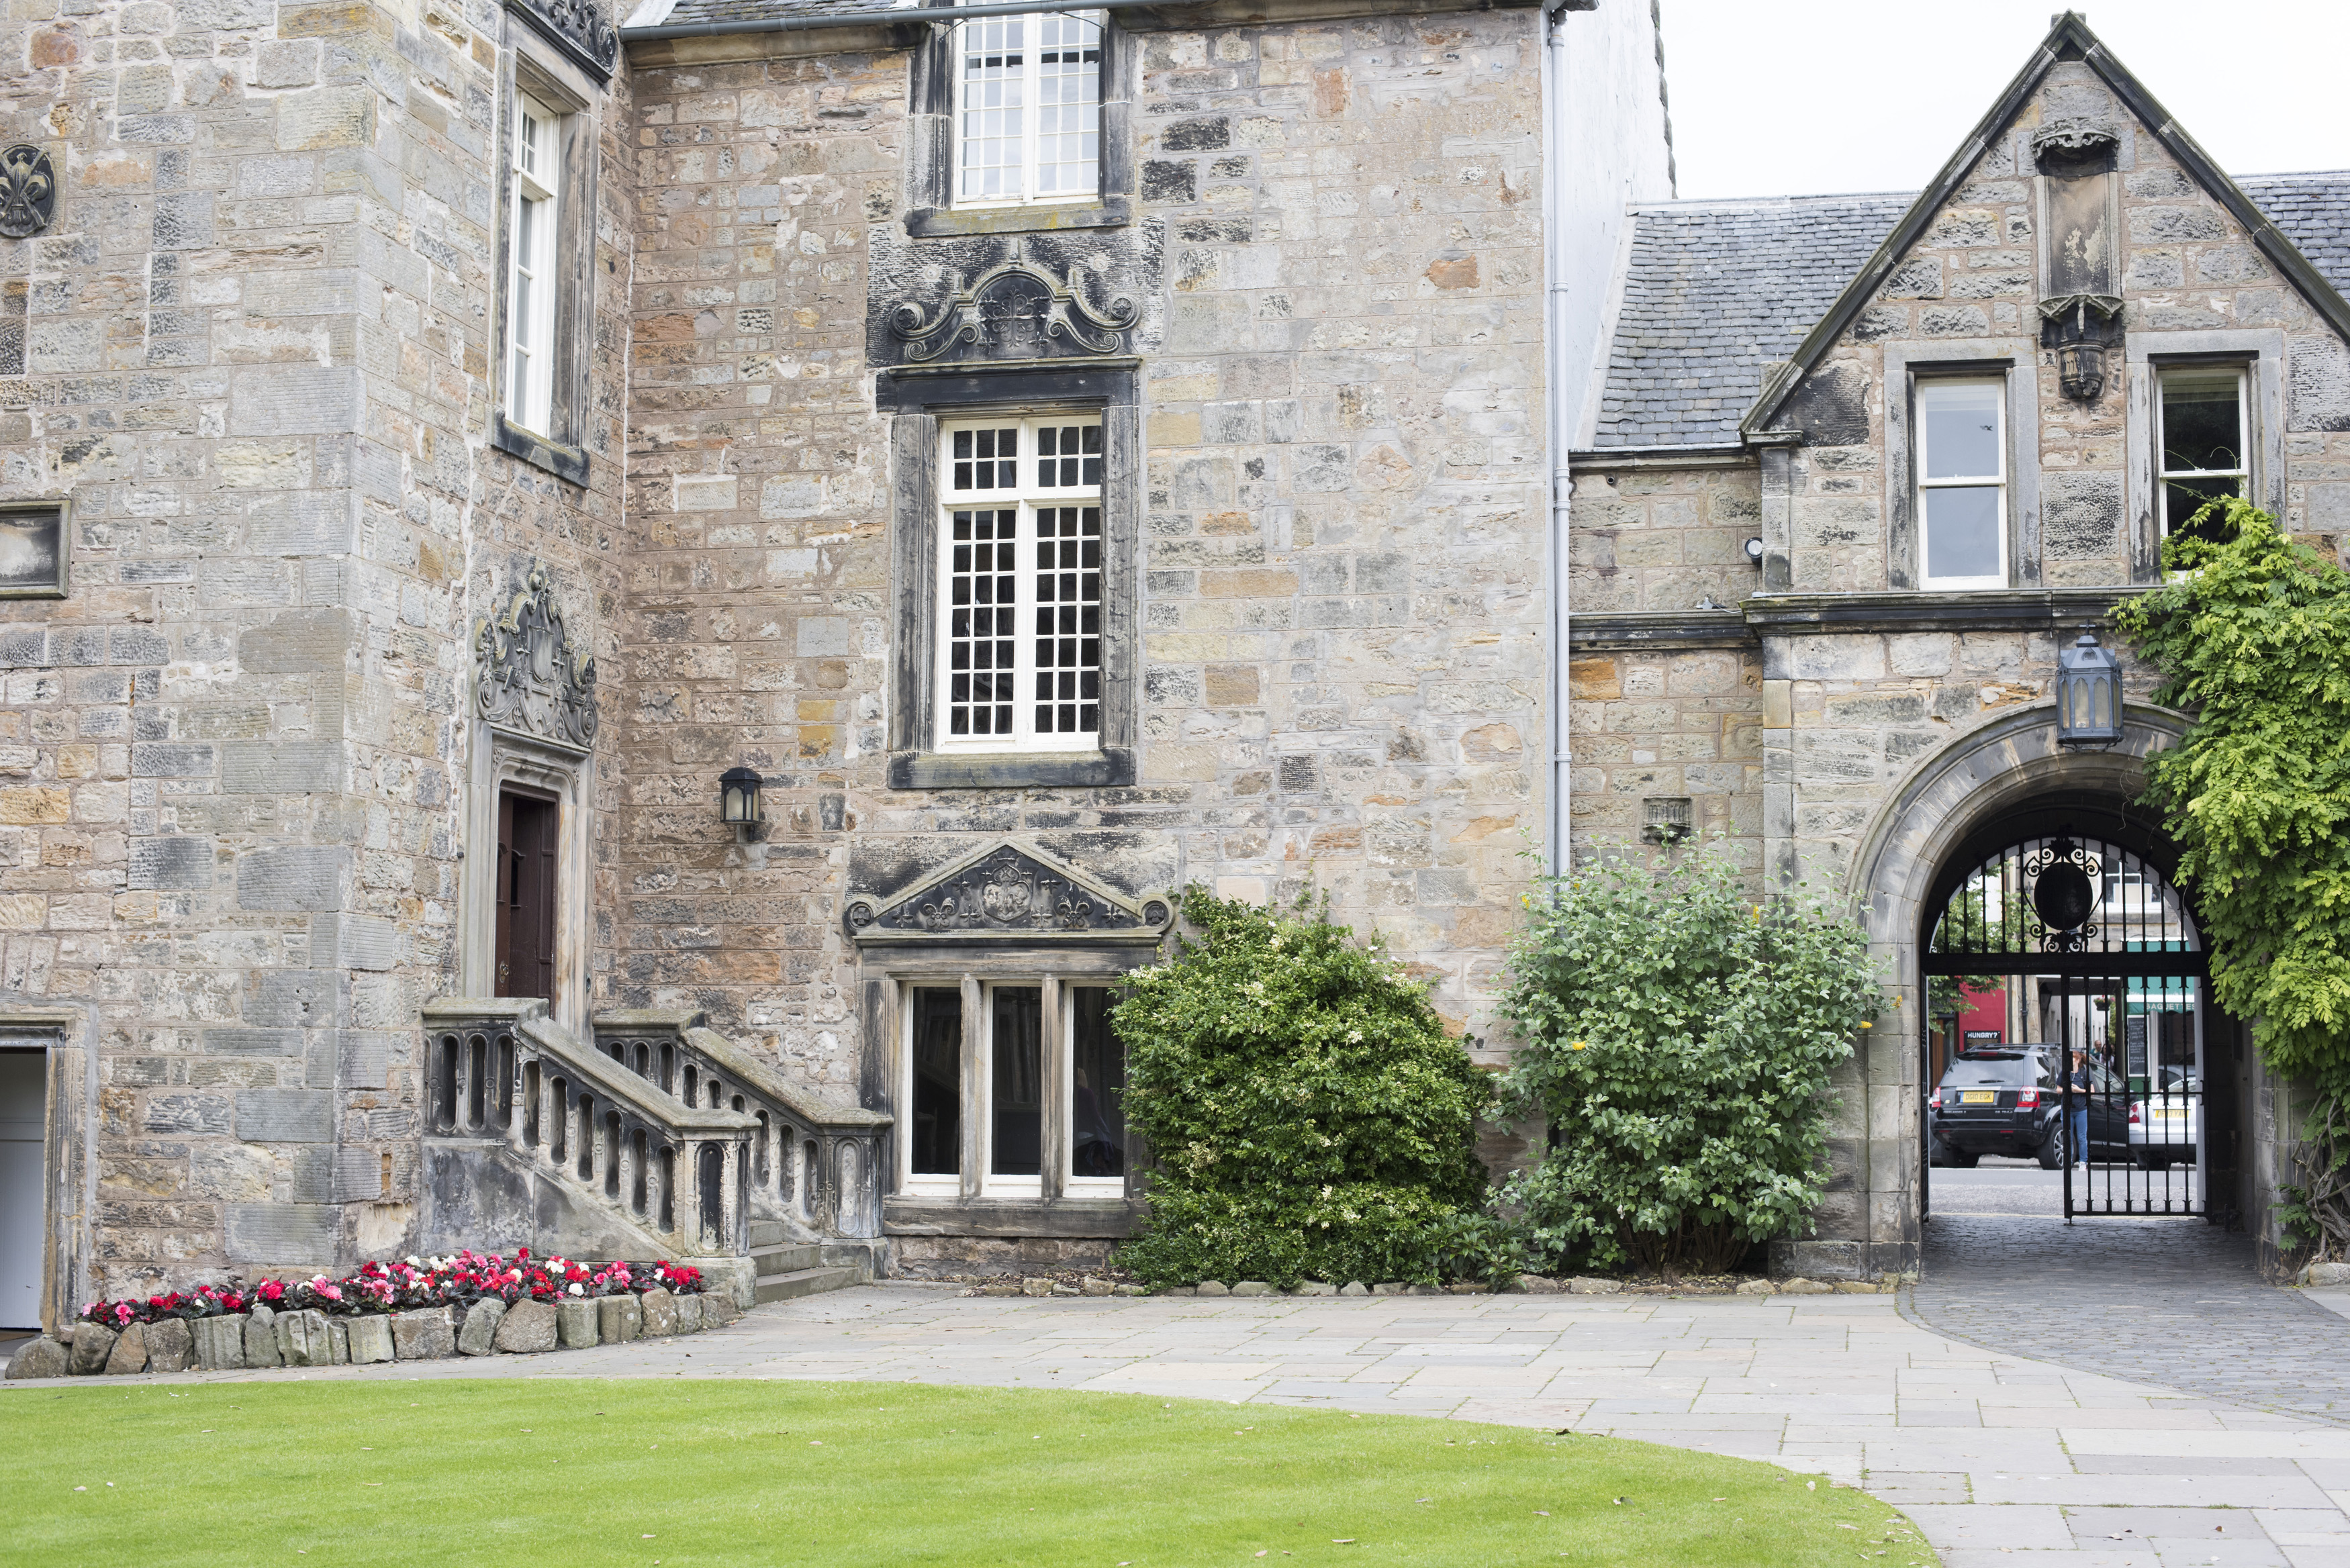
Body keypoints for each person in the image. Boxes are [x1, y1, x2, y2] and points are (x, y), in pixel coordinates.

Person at [2067, 1047, 2092, 1169]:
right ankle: (2069, 1162)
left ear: (2077, 1060)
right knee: (2068, 1136)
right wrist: (2065, 1090)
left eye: (2071, 1058)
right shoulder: (2065, 1073)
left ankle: (2083, 1162)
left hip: (2081, 1109)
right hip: (2068, 1109)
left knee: (2082, 1137)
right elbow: (2058, 1089)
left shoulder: (2084, 1073)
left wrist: (2078, 1090)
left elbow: (2091, 1091)